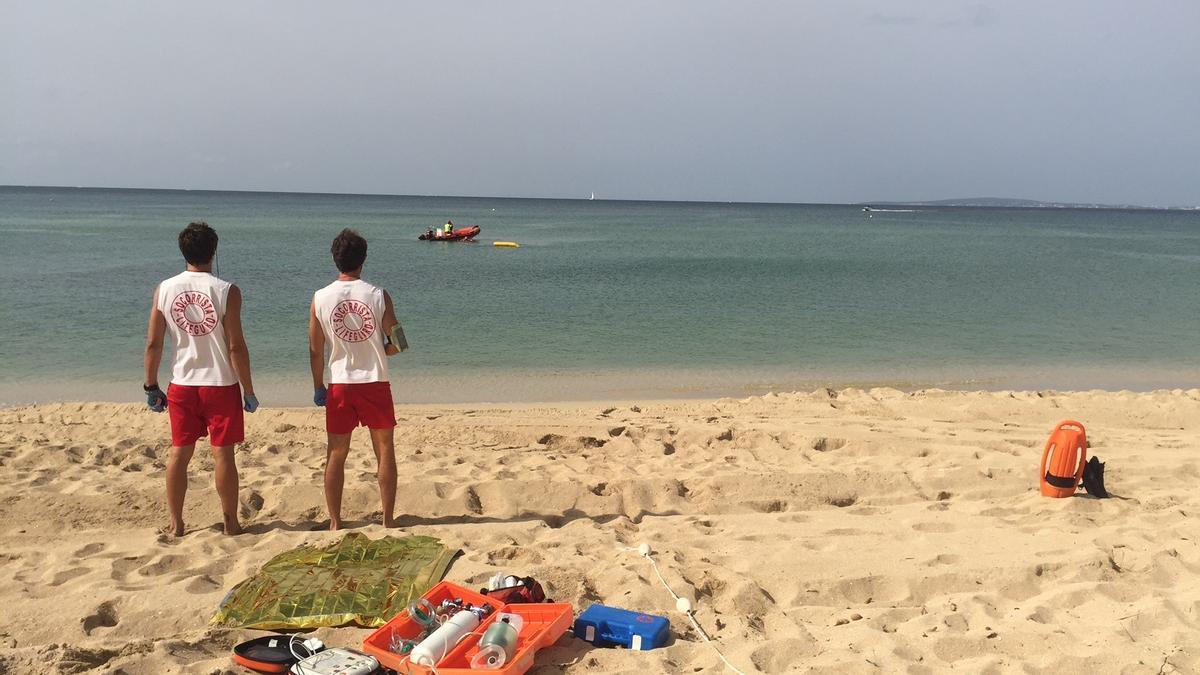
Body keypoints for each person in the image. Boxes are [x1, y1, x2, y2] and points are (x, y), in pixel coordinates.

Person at [144, 221, 258, 537]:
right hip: (220, 385)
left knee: (180, 453)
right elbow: (235, 345)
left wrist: (150, 384)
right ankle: (230, 522)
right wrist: (248, 389)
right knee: (223, 454)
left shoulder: (163, 290)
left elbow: (153, 343)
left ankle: (177, 523)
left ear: (184, 252)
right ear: (214, 250)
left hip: (182, 384)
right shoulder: (227, 291)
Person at [309, 229, 401, 530]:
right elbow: (400, 341)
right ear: (363, 260)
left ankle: (335, 521)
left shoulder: (320, 297)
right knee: (384, 449)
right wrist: (381, 349)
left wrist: (318, 386)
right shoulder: (378, 295)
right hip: (374, 381)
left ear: (335, 259)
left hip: (340, 384)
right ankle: (387, 518)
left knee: (336, 452)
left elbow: (315, 349)